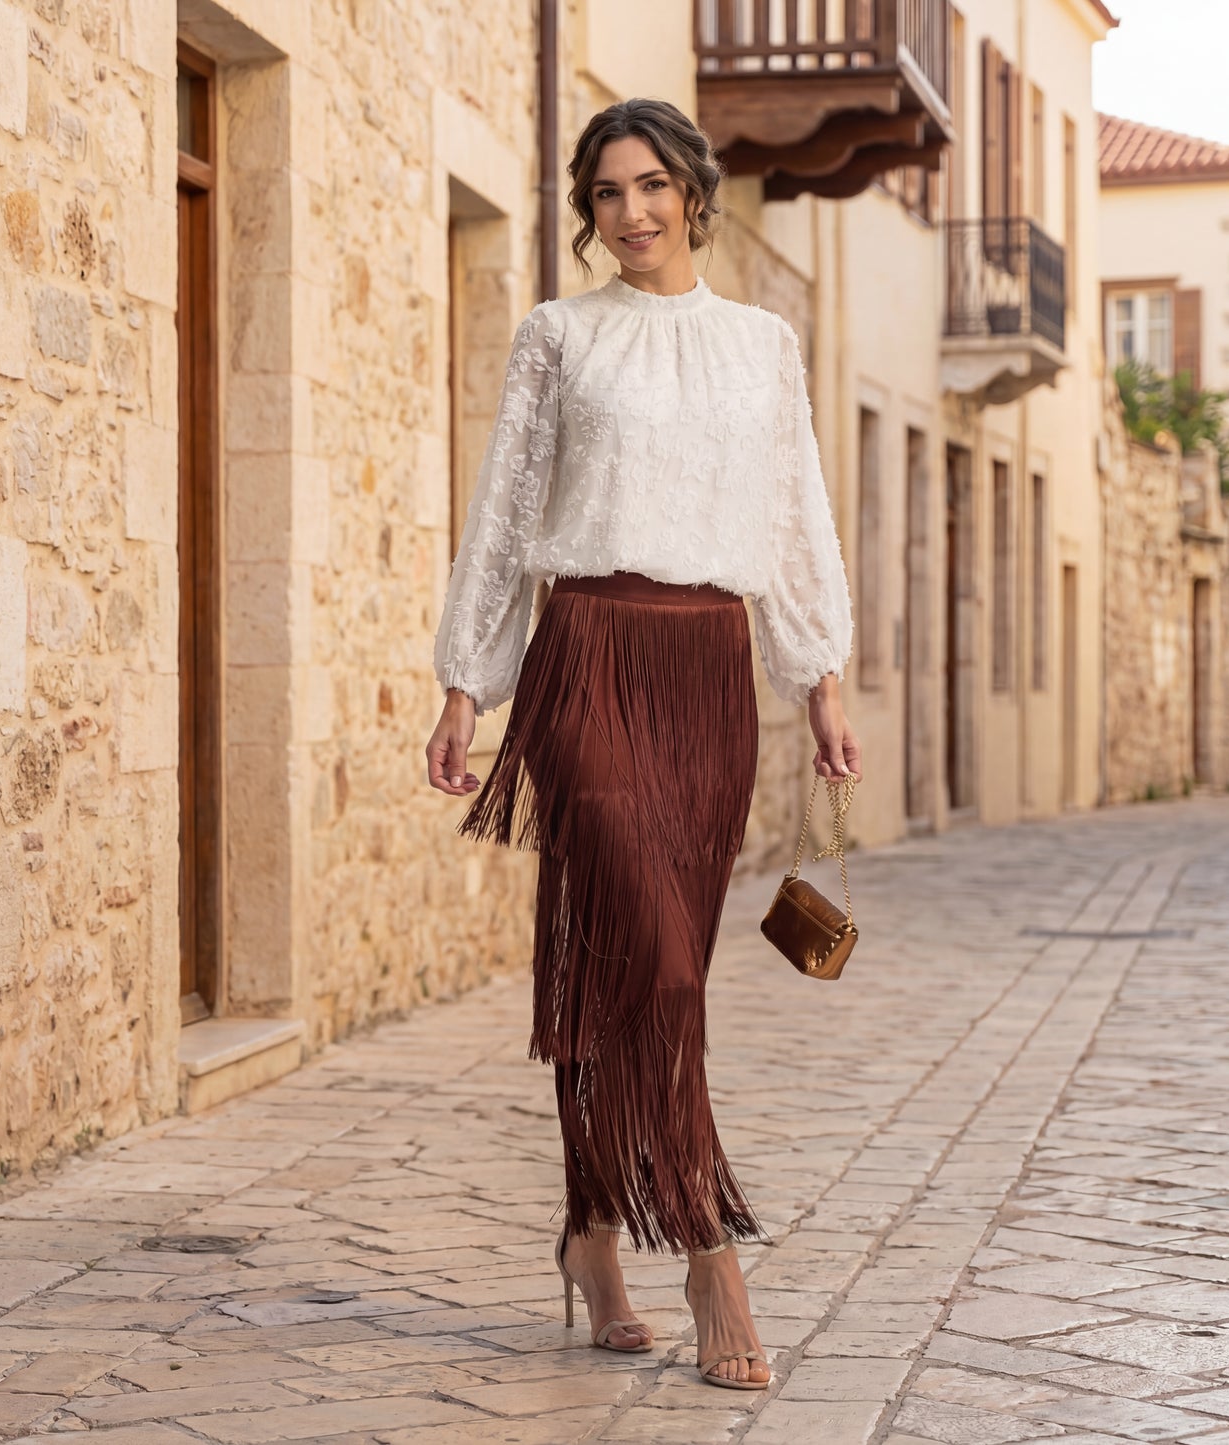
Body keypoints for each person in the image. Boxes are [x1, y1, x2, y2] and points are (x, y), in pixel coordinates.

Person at [426, 97, 859, 1391]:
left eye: (650, 185)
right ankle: (708, 1247)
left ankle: (590, 1229)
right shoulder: (559, 337)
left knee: (628, 973)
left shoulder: (762, 346)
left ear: (694, 192)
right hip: (589, 658)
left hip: (707, 673)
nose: (629, 213)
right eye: (605, 192)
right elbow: (505, 518)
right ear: (588, 209)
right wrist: (467, 682)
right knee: (656, 966)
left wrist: (819, 676)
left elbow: (791, 517)